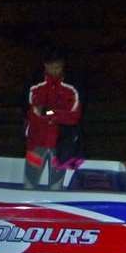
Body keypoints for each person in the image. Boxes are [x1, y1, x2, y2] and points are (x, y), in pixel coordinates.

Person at [23, 46, 82, 190]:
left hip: (60, 146)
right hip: (36, 144)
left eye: (58, 67)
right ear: (45, 65)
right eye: (52, 67)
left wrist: (50, 113)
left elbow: (74, 116)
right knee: (29, 183)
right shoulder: (35, 87)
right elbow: (33, 113)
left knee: (56, 186)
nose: (55, 70)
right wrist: (56, 114)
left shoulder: (71, 90)